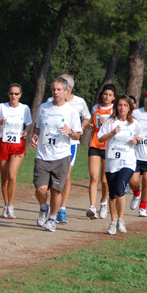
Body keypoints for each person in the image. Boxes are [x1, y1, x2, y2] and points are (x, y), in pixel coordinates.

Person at [31, 77, 83, 232]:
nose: (55, 92)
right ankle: (43, 207)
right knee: (40, 189)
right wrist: (35, 136)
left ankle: (52, 219)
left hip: (61, 156)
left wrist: (70, 132)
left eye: (59, 89)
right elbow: (38, 127)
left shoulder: (71, 111)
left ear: (66, 90)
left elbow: (78, 135)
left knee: (56, 190)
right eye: (53, 89)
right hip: (43, 155)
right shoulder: (43, 108)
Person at [45, 74, 91, 223]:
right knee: (53, 177)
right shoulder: (49, 102)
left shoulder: (79, 102)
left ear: (68, 88)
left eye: (62, 86)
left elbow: (87, 117)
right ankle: (53, 205)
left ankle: (62, 209)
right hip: (52, 145)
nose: (57, 90)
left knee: (66, 175)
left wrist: (80, 129)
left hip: (70, 144)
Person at [97, 96, 143, 234]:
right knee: (112, 194)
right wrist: (112, 133)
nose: (122, 107)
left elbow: (140, 136)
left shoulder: (134, 123)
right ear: (116, 107)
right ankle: (112, 221)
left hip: (128, 161)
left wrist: (136, 141)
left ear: (129, 108)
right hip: (112, 161)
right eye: (120, 105)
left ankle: (121, 220)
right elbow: (100, 138)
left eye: (125, 105)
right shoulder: (110, 122)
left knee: (120, 187)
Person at [0, 83, 33, 218]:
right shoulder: (1, 107)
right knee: (4, 178)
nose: (13, 96)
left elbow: (29, 123)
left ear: (20, 95)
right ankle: (5, 205)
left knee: (12, 175)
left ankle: (11, 205)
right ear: (8, 94)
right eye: (11, 93)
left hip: (18, 144)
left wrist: (26, 131)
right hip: (3, 143)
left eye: (16, 94)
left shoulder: (25, 108)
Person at [85, 84, 116, 220]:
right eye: (105, 94)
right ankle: (92, 206)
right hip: (95, 144)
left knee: (104, 180)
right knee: (93, 177)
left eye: (110, 95)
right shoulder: (95, 108)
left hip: (108, 146)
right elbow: (91, 125)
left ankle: (103, 202)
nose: (106, 97)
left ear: (113, 97)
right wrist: (90, 126)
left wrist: (107, 123)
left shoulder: (115, 110)